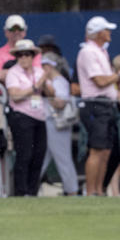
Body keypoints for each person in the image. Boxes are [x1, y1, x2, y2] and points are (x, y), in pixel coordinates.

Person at [76, 15, 120, 196]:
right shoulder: (88, 52)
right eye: (106, 30)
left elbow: (109, 83)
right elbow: (101, 81)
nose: (109, 33)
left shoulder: (101, 52)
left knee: (106, 150)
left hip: (107, 105)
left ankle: (99, 191)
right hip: (95, 104)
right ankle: (91, 191)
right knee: (96, 149)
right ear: (98, 33)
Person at [5, 39, 53, 197]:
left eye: (27, 54)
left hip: (39, 117)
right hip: (21, 116)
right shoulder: (13, 72)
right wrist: (34, 88)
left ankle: (33, 191)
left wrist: (45, 83)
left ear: (33, 56)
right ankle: (21, 191)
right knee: (24, 154)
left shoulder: (39, 72)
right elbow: (15, 95)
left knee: (39, 154)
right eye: (20, 55)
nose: (24, 58)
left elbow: (51, 94)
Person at [39, 52, 78, 196]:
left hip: (57, 123)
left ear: (49, 67)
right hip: (49, 122)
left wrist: (47, 93)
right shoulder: (55, 81)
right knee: (42, 157)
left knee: (63, 158)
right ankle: (30, 187)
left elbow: (60, 104)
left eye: (43, 66)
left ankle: (72, 189)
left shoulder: (59, 81)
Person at [0, 15, 40, 83]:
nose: (17, 32)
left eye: (20, 29)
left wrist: (9, 73)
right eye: (13, 29)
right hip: (3, 93)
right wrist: (25, 71)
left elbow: (38, 75)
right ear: (6, 32)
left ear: (24, 32)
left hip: (30, 92)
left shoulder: (34, 51)